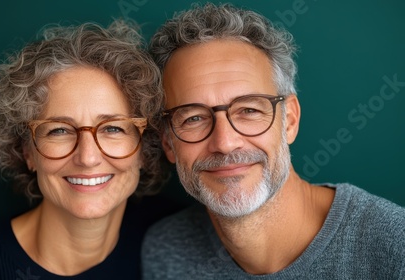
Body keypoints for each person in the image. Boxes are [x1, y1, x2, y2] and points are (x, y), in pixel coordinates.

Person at [142, 3, 405, 279]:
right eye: (193, 118)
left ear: (289, 120)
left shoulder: (394, 250)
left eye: (249, 110)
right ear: (168, 142)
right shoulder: (165, 252)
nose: (225, 143)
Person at [0, 19, 171, 279]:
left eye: (113, 128)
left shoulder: (176, 244)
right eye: (59, 130)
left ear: (143, 148)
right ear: (27, 152)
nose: (88, 157)